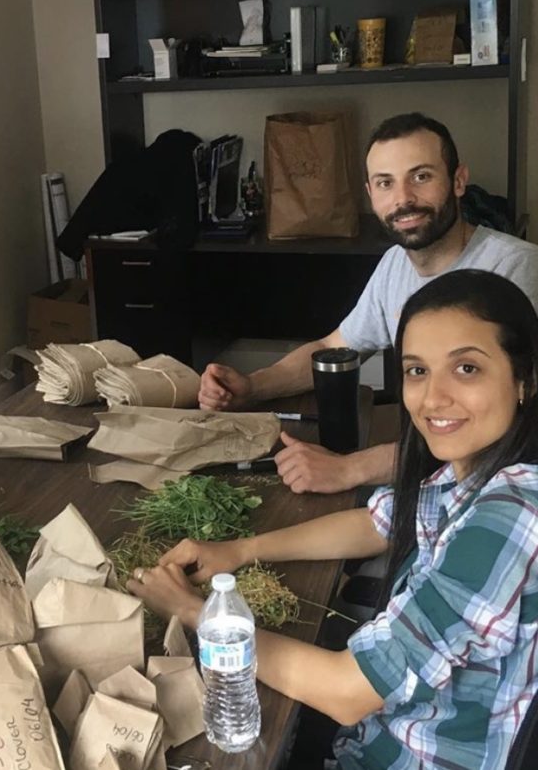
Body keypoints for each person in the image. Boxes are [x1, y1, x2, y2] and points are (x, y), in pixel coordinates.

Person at [132, 269, 538, 768]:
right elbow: (378, 524)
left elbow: (347, 690)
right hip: (382, 730)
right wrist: (239, 550)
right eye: (416, 371)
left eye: (467, 369)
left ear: (525, 380)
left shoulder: (511, 515)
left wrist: (199, 614)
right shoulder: (473, 471)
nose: (433, 398)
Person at [199, 112, 538, 495]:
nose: (403, 199)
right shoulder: (395, 264)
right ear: (370, 194)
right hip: (424, 480)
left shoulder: (515, 270)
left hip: (495, 496)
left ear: (458, 180)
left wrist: (351, 469)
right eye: (385, 183)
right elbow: (333, 349)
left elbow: (504, 428)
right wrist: (250, 387)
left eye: (421, 176)